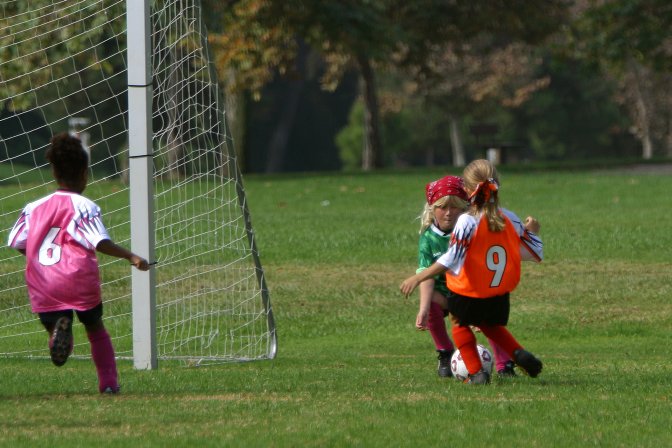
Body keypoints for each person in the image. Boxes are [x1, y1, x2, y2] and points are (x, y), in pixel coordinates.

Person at [7, 132, 150, 394]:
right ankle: (108, 384)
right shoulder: (85, 206)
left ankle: (57, 335)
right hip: (78, 277)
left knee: (55, 321)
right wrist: (131, 256)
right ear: (85, 173)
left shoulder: (33, 207)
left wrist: (39, 260)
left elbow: (16, 241)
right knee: (95, 329)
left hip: (44, 281)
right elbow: (99, 242)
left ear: (54, 171)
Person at [401, 159, 544, 385]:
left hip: (468, 289)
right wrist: (532, 232)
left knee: (459, 325)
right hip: (497, 291)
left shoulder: (467, 221)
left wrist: (420, 276)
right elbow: (534, 252)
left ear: (467, 191)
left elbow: (453, 257)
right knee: (491, 327)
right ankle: (517, 353)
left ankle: (477, 374)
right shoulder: (509, 217)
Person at [415, 175, 515, 378]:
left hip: (472, 292)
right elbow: (426, 277)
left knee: (490, 318)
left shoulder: (472, 230)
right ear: (432, 209)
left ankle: (505, 365)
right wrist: (423, 309)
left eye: (455, 207)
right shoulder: (428, 238)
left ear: (465, 208)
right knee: (430, 300)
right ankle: (445, 352)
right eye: (442, 207)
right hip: (445, 296)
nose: (449, 213)